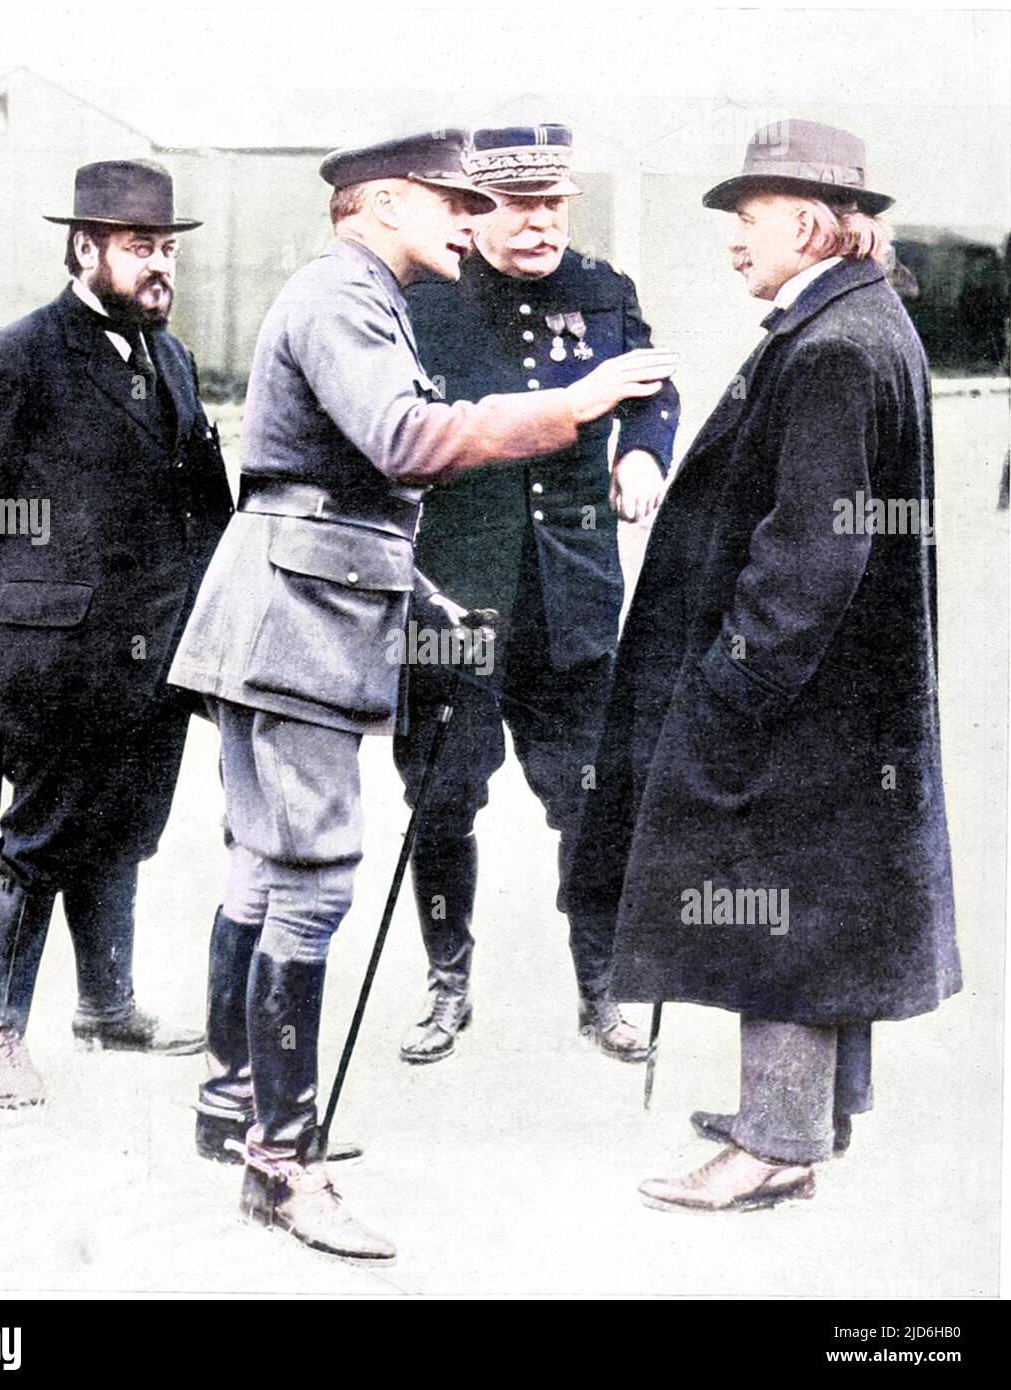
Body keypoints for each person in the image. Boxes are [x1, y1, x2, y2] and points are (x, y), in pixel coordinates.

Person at [169, 129, 676, 1260]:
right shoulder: (346, 296)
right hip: (297, 624)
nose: (471, 222)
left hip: (292, 614)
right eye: (451, 204)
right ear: (384, 204)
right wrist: (573, 406)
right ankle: (281, 1163)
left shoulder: (360, 290)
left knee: (262, 863)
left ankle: (231, 1105)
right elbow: (402, 438)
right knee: (307, 879)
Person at [567, 120, 961, 1212]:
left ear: (805, 220)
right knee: (817, 902)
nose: (733, 242)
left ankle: (774, 1142)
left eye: (745, 220)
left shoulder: (834, 345)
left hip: (795, 695)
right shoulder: (859, 321)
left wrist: (731, 685)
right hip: (845, 697)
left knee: (774, 899)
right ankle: (800, 1114)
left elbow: (809, 557)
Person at [0, 159, 233, 1108]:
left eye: (167, 251)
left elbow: (204, 510)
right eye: (141, 249)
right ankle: (0, 1039)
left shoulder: (168, 355)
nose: (160, 270)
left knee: (126, 833)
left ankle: (107, 1008)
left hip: (159, 658)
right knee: (38, 843)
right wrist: (31, 612)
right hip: (60, 663)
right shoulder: (16, 358)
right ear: (84, 247)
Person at [396, 124, 680, 1065]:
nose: (540, 226)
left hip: (573, 596)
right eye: (519, 207)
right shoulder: (419, 298)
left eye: (554, 205)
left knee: (591, 801)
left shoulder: (602, 290)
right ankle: (447, 984)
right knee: (441, 799)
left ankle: (601, 990)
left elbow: (652, 390)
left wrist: (642, 450)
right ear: (475, 210)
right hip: (451, 600)